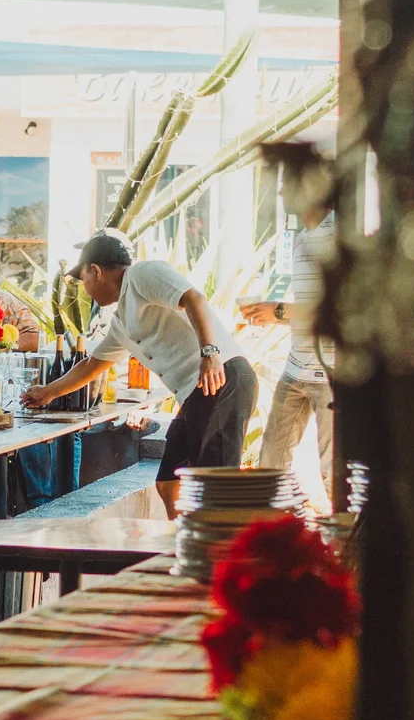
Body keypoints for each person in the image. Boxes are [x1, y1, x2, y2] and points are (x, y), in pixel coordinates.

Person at [25, 232, 254, 514]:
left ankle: (222, 555)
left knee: (215, 488)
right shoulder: (122, 320)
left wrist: (209, 352)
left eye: (83, 279)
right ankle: (181, 547)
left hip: (221, 378)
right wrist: (46, 393)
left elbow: (194, 298)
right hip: (196, 394)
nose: (84, 288)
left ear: (96, 271)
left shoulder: (142, 274)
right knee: (169, 483)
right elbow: (92, 365)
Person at [242, 216, 336, 503]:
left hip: (331, 372)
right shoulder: (302, 239)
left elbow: (338, 308)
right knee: (270, 467)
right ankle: (273, 539)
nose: (284, 190)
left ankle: (347, 544)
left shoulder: (341, 233)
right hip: (295, 369)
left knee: (333, 472)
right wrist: (271, 315)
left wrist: (279, 311)